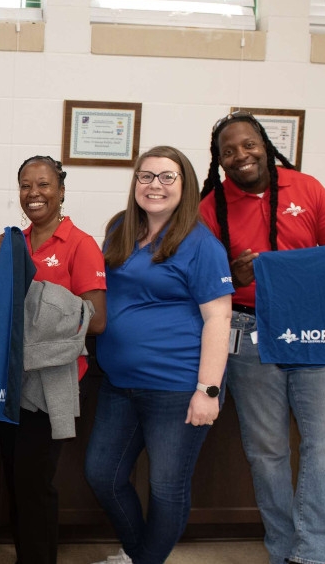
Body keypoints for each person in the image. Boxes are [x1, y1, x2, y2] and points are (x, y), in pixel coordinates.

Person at [199, 111, 325, 564]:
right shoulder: (210, 207)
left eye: (248, 144)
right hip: (248, 330)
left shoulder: (307, 187)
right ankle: (283, 551)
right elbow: (203, 281)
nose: (241, 156)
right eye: (229, 151)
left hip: (312, 329)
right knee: (266, 451)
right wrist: (231, 275)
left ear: (265, 144)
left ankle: (314, 554)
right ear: (218, 161)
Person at [86, 146, 233, 564]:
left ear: (184, 185)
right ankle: (140, 556)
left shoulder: (201, 244)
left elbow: (219, 318)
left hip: (178, 387)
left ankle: (143, 560)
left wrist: (208, 390)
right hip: (120, 384)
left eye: (167, 177)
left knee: (167, 488)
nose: (155, 185)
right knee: (103, 475)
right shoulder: (120, 229)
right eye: (146, 176)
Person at [0, 155, 107, 564]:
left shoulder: (80, 243)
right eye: (25, 186)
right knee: (18, 481)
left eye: (44, 185)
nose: (34, 194)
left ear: (61, 191)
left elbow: (96, 319)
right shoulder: (17, 240)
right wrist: (6, 259)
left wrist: (35, 300)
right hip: (12, 377)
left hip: (55, 379)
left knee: (36, 484)